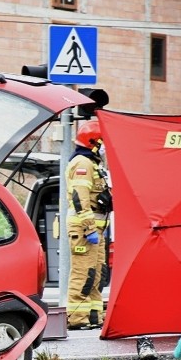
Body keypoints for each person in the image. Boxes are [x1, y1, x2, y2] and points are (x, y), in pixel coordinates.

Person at [65, 120, 111, 330]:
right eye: (102, 142)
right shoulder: (82, 163)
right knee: (83, 273)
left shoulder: (93, 163)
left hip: (97, 229)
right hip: (85, 229)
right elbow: (79, 198)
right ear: (93, 142)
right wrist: (89, 228)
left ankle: (93, 317)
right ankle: (76, 318)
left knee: (96, 274)